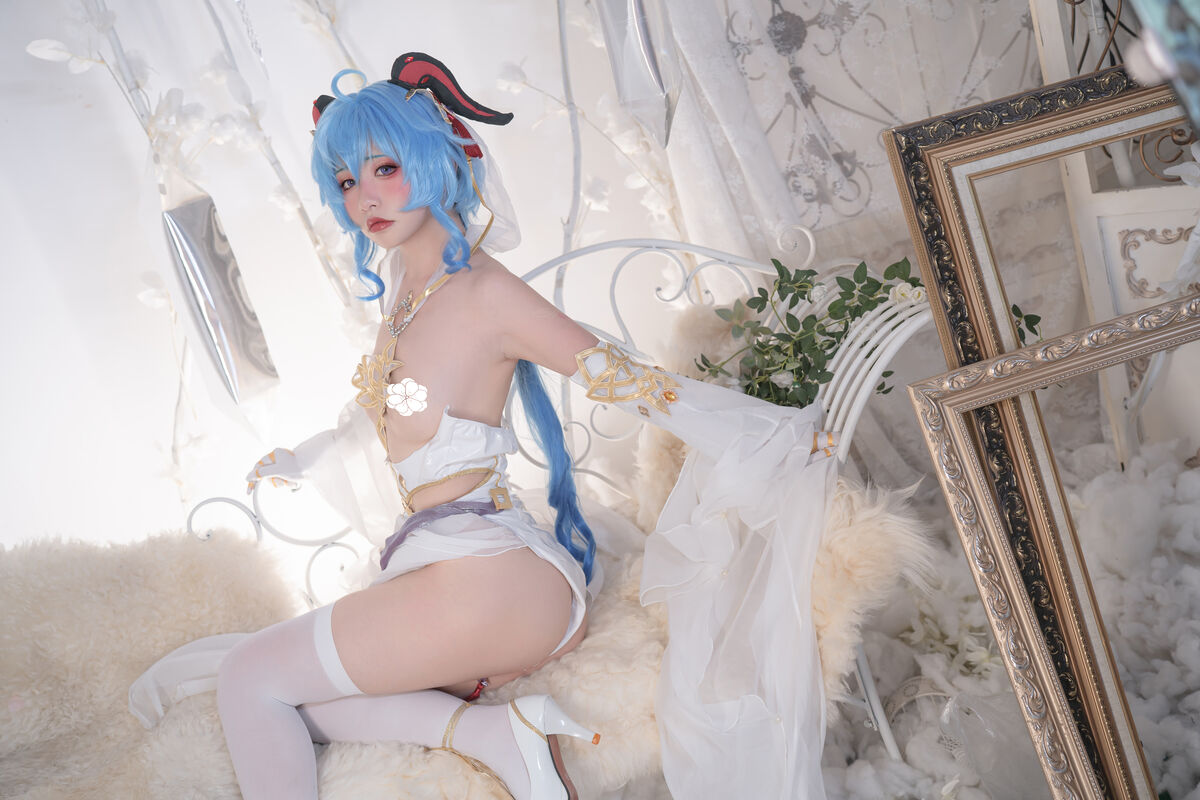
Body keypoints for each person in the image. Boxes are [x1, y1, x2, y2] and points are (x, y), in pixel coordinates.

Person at [131, 53, 840, 800]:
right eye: (344, 182)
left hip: (499, 587)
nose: (364, 197)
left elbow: (625, 378)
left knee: (250, 675)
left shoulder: (484, 293)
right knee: (296, 695)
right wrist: (304, 455)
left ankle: (498, 733)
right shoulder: (408, 286)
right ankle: (496, 734)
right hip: (465, 576)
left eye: (383, 169)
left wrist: (762, 429)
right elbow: (384, 407)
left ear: (432, 158)